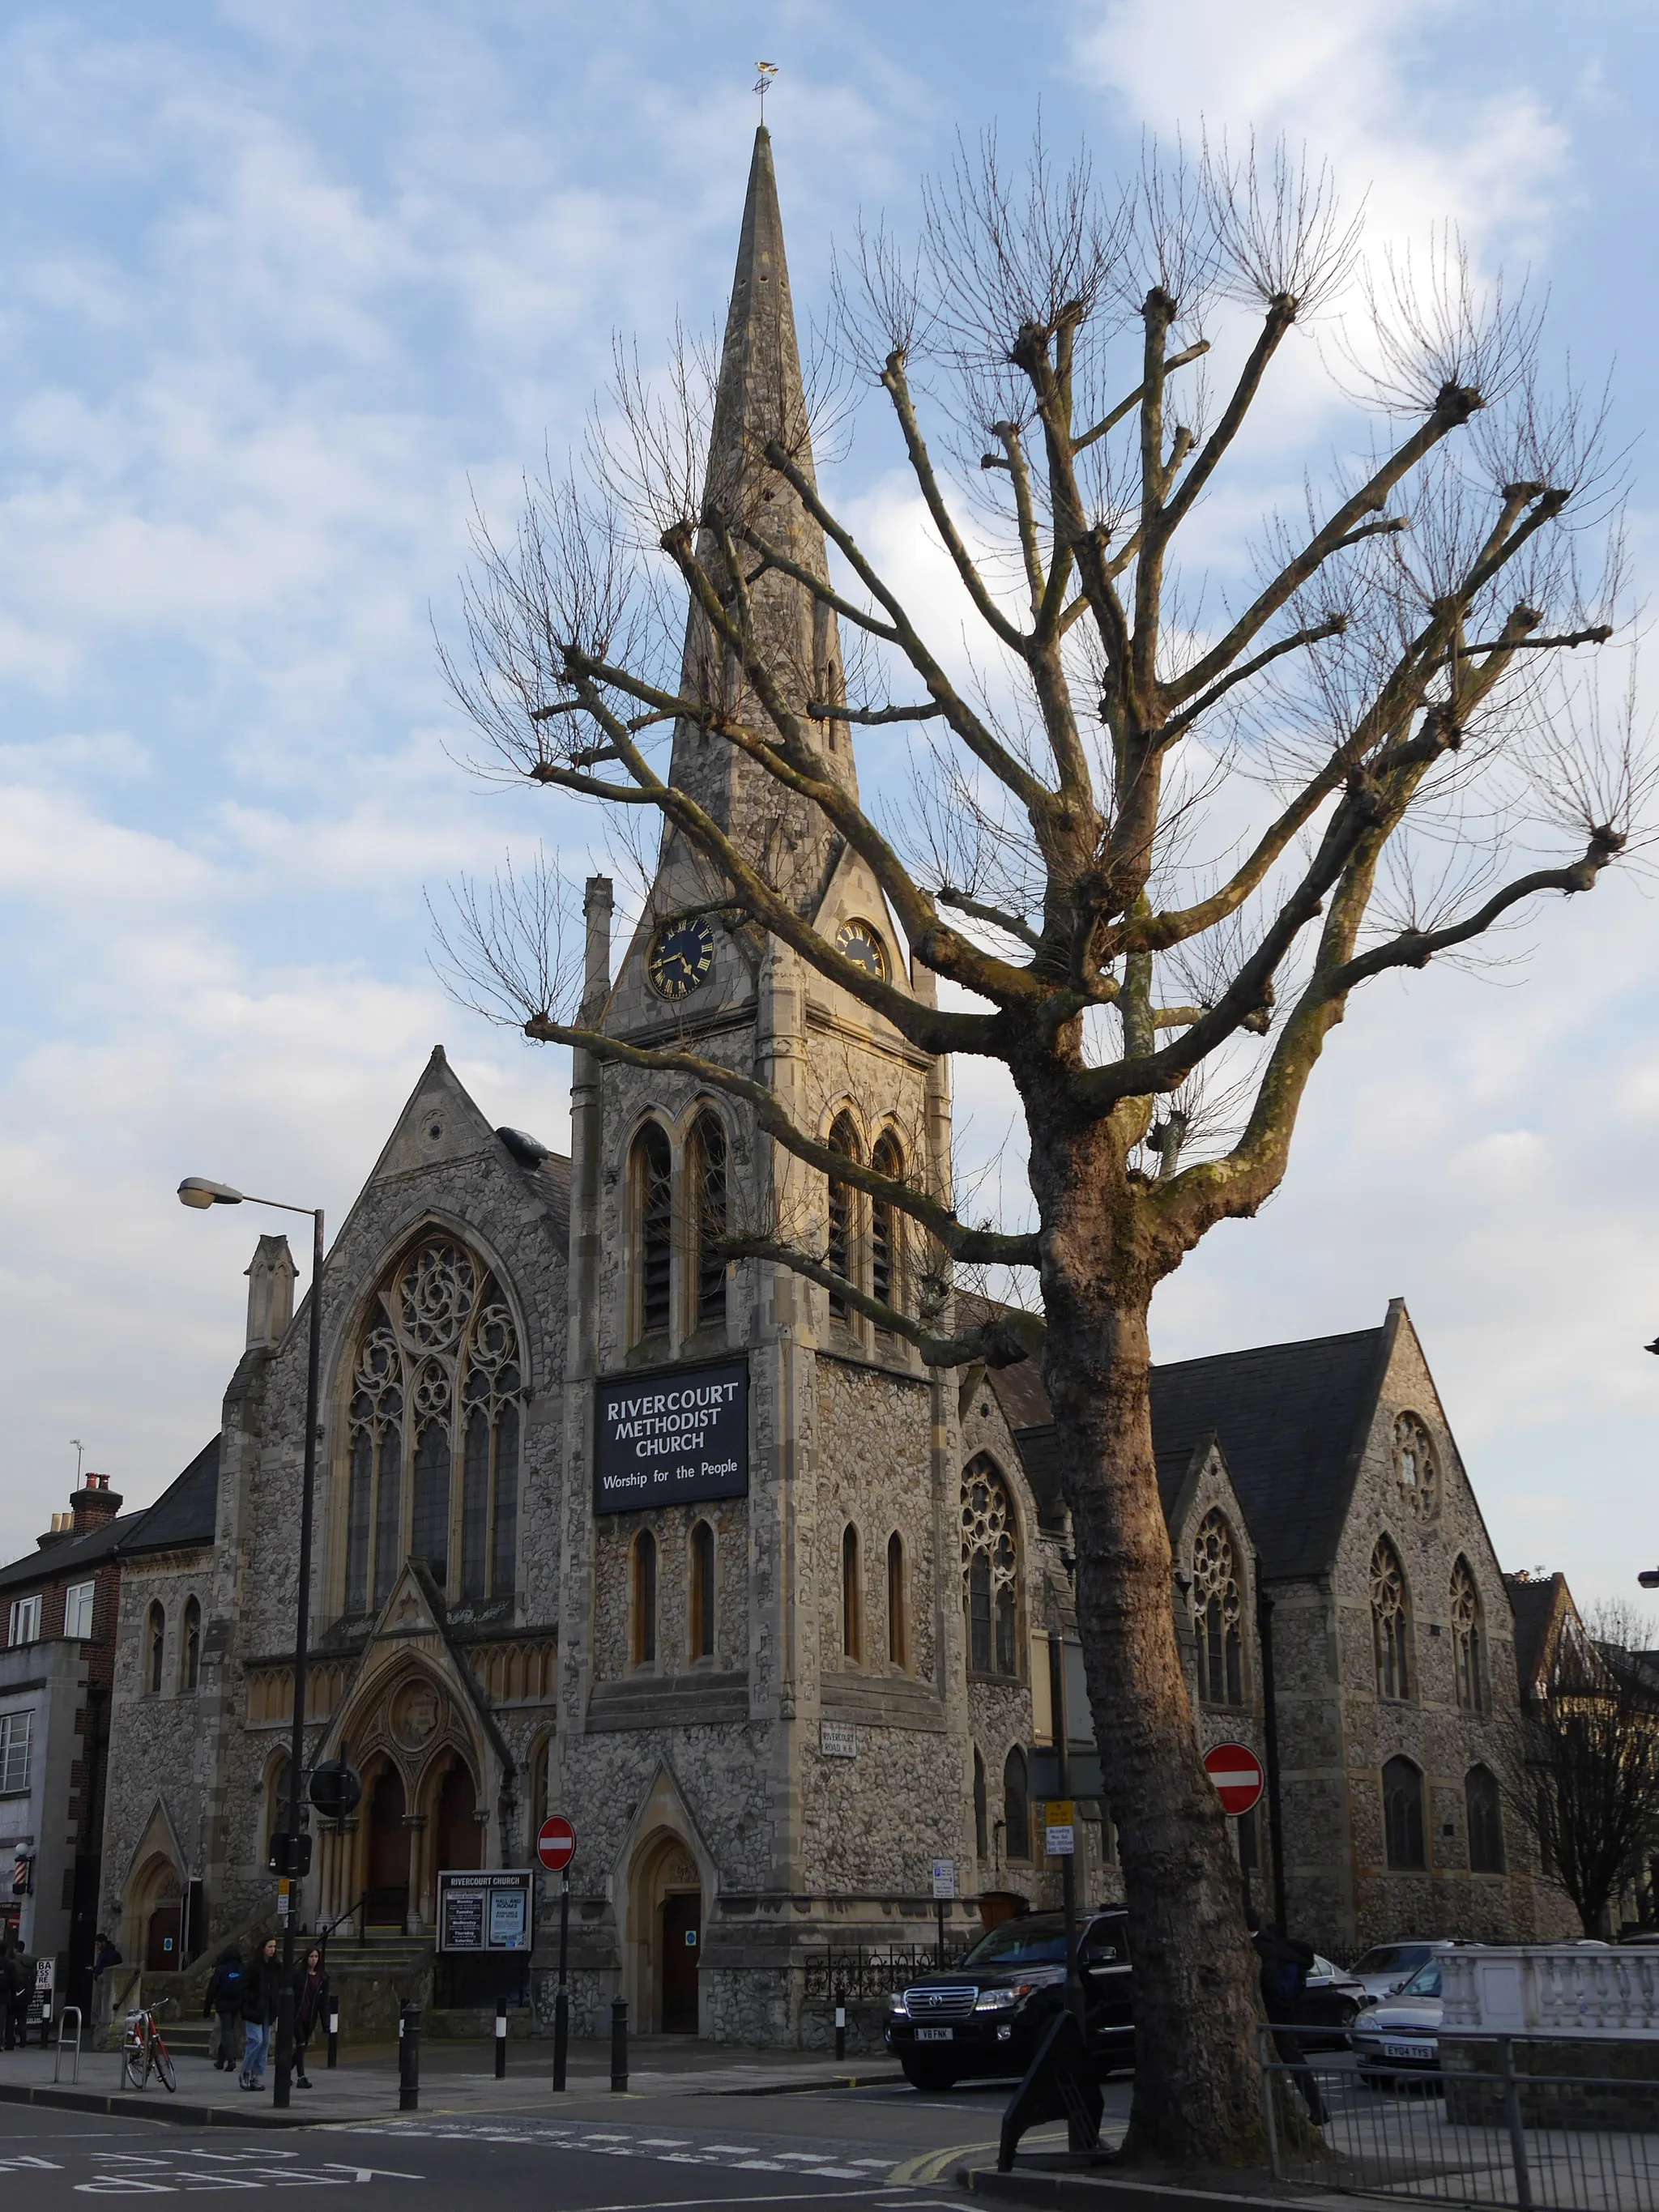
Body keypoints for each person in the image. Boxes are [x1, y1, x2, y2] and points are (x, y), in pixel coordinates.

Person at [1247, 1908, 1328, 2126]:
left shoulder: (1262, 1947)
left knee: (1291, 2057)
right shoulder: (1275, 1945)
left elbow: (1271, 1982)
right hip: (1286, 2011)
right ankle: (1317, 2107)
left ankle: (1318, 2107)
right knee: (1292, 2058)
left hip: (1276, 2013)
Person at [239, 1935, 282, 2092]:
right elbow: (243, 1987)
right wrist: (253, 2000)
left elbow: (278, 1986)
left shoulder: (276, 1967)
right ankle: (245, 2072)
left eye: (274, 1947)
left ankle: (256, 2076)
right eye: (270, 1947)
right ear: (263, 1948)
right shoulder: (254, 1967)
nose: (272, 1950)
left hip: (268, 2010)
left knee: (264, 2044)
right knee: (256, 2040)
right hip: (254, 2009)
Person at [292, 1946, 328, 2090]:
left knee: (302, 2047)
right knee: (300, 2043)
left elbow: (324, 2002)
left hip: (311, 2017)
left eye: (316, 1957)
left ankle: (284, 2071)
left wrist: (326, 2023)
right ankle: (301, 2077)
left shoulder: (322, 1978)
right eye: (311, 1957)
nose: (314, 1960)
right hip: (297, 2015)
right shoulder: (299, 1975)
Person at [203, 1946, 244, 2072]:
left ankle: (231, 2060)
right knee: (230, 2030)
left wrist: (207, 2008)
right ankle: (221, 2060)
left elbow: (212, 1990)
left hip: (223, 2004)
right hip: (238, 2003)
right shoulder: (242, 1969)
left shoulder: (221, 1969)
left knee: (227, 2031)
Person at [0, 1938, 25, 2052]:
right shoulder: (9, 1964)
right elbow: (15, 1981)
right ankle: (6, 2042)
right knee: (4, 2020)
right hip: (5, 1996)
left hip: (5, 1995)